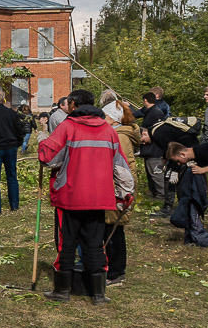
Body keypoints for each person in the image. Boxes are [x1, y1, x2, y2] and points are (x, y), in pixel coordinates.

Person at [37, 88, 135, 305]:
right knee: (95, 244)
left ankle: (62, 291)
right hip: (99, 197)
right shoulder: (109, 131)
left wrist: (42, 141)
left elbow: (48, 158)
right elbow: (121, 167)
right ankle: (98, 294)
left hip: (70, 197)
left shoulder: (68, 127)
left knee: (67, 244)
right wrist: (125, 194)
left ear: (72, 105)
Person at [102, 94, 141, 286]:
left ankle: (116, 273)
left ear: (113, 118)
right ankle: (110, 268)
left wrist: (122, 193)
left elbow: (122, 169)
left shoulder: (119, 136)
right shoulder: (120, 133)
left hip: (119, 189)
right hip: (114, 187)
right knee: (109, 227)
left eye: (105, 117)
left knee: (114, 229)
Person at [138, 91, 172, 217]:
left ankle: (161, 194)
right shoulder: (151, 111)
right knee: (150, 170)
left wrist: (149, 137)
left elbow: (158, 130)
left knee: (156, 171)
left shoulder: (156, 112)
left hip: (155, 148)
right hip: (149, 148)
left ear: (145, 100)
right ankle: (154, 192)